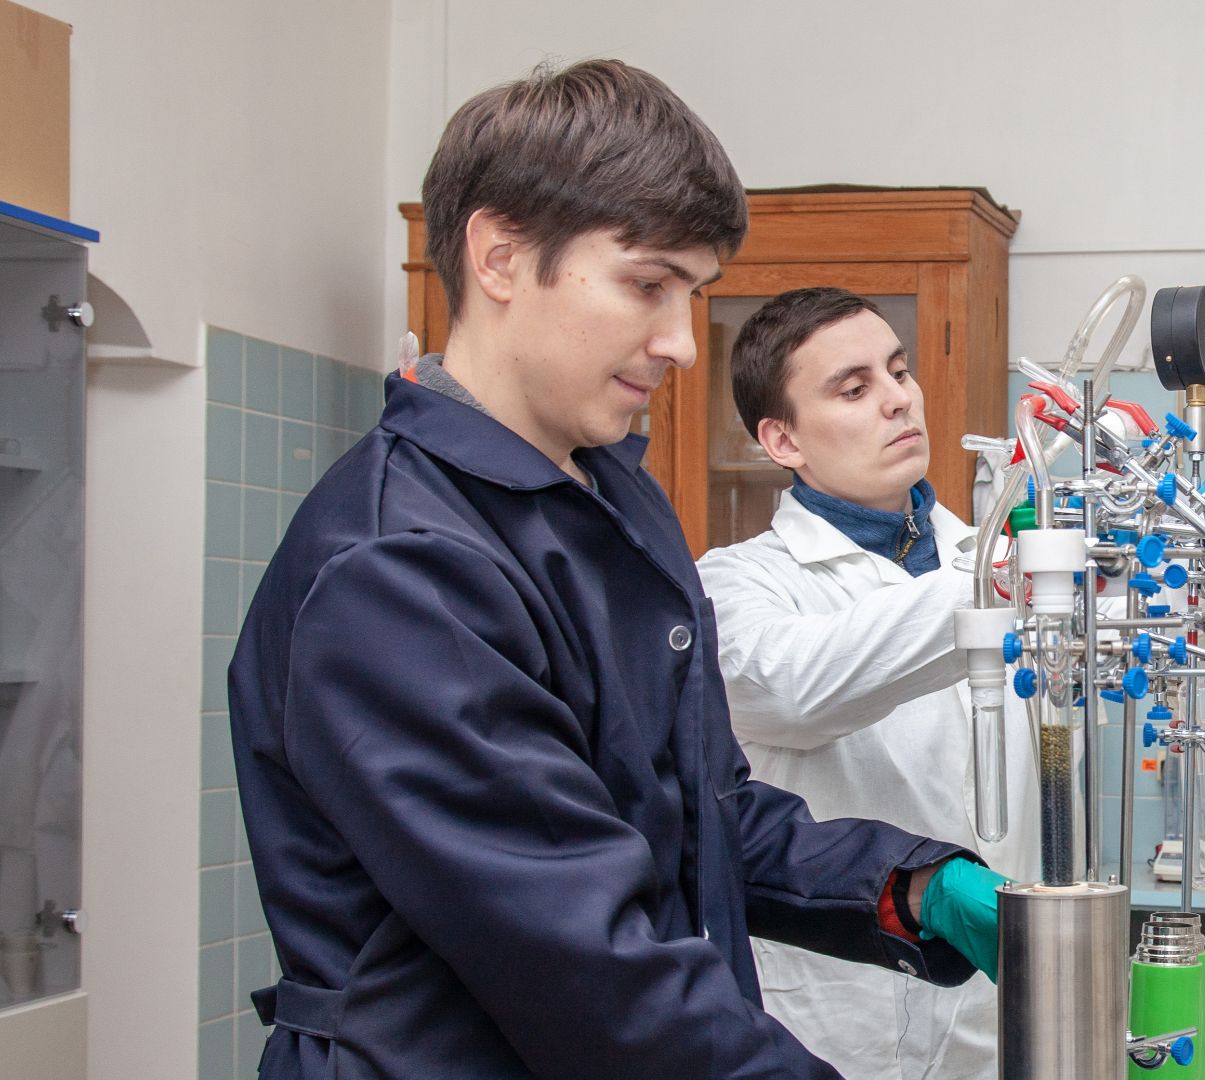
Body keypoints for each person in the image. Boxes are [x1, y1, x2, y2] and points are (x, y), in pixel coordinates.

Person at [226, 60, 1001, 1079]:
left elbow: (697, 812)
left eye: (692, 294)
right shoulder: (402, 568)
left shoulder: (607, 498)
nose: (682, 343)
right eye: (647, 285)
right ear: (500, 256)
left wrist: (904, 886)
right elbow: (586, 968)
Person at [696, 287, 1036, 1079]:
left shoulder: (976, 560)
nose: (898, 400)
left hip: (997, 1016)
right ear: (782, 439)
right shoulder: (736, 585)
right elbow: (795, 687)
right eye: (854, 389)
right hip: (835, 1022)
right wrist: (1010, 576)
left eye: (898, 370)